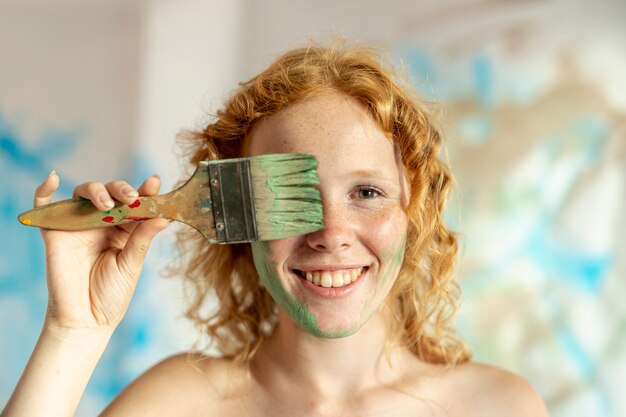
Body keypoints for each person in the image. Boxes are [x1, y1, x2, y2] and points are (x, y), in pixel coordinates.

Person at [2, 41, 549, 416]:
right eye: (295, 198)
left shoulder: (496, 406)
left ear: (415, 213)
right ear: (242, 223)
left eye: (366, 193)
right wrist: (73, 331)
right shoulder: (182, 404)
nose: (331, 232)